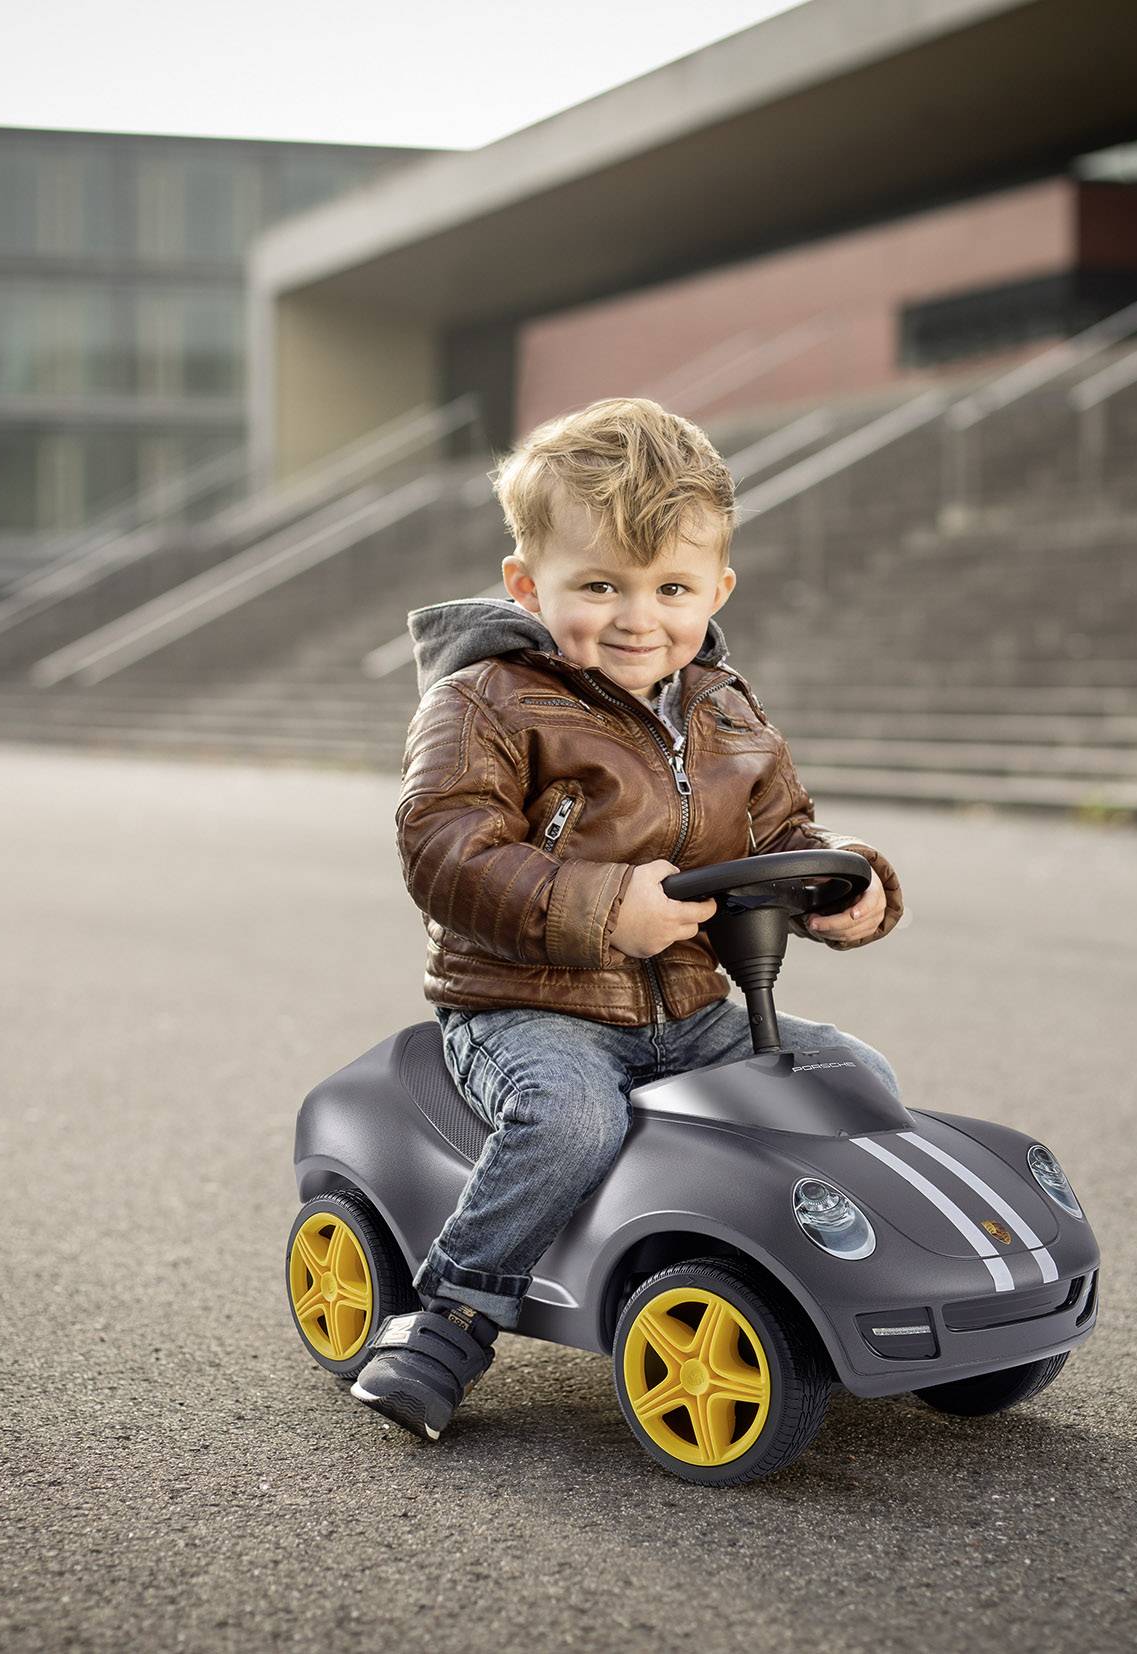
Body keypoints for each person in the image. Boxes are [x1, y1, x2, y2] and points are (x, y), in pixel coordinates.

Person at [351, 396, 905, 1443]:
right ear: (528, 585)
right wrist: (606, 909)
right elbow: (445, 851)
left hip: (692, 1009)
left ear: (717, 589)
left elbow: (785, 832)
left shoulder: (725, 706)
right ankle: (451, 1313)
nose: (637, 618)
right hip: (528, 1007)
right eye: (599, 585)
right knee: (572, 1119)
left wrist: (848, 886)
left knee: (850, 1071)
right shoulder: (483, 700)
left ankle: (857, 1283)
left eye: (670, 589)